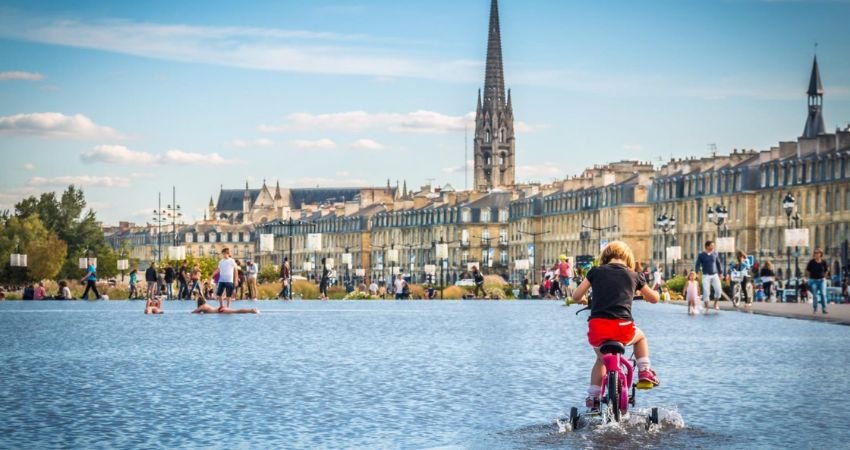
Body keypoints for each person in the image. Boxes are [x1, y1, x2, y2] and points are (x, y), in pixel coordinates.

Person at [571, 241, 660, 413]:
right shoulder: (635, 276)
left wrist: (582, 300)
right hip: (623, 330)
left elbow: (576, 296)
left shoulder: (595, 272)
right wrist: (657, 294)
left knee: (600, 359)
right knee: (641, 337)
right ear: (628, 259)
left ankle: (594, 399)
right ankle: (644, 372)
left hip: (598, 330)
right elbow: (653, 298)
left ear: (605, 257)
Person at [695, 241, 723, 311]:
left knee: (718, 290)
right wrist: (697, 272)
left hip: (715, 275)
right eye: (711, 246)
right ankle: (707, 306)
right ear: (707, 246)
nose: (713, 247)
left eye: (713, 246)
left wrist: (721, 273)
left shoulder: (715, 254)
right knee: (706, 292)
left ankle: (715, 303)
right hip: (706, 275)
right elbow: (697, 264)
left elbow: (718, 263)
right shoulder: (701, 255)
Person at [806, 248, 830, 314]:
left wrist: (825, 277)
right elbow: (808, 270)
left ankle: (824, 309)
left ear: (821, 254)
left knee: (823, 294)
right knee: (815, 295)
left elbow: (826, 270)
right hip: (813, 281)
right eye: (815, 253)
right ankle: (815, 309)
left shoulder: (824, 262)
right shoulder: (811, 262)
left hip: (822, 280)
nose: (816, 254)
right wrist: (810, 278)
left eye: (818, 253)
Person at [192, 295, 259, 314]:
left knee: (236, 311)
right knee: (236, 311)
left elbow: (194, 312)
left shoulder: (202, 306)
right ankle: (251, 310)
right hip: (220, 309)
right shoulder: (206, 305)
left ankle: (252, 310)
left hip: (219, 310)